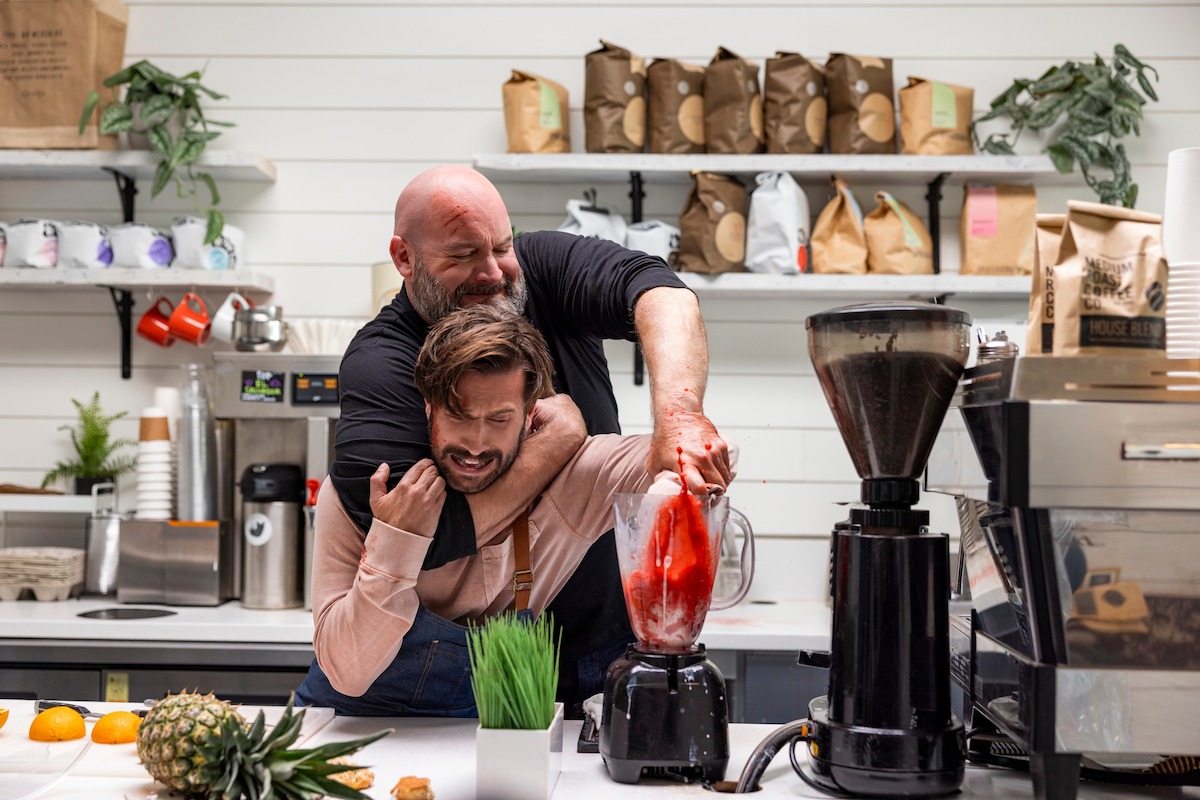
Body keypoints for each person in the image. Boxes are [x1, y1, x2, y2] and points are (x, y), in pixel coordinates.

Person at [329, 164, 731, 709]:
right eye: (462, 255)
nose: (493, 272)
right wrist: (559, 441)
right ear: (404, 257)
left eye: (501, 245)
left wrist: (680, 413)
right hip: (439, 652)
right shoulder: (380, 363)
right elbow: (427, 538)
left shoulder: (539, 269)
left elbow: (661, 291)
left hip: (600, 636)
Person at [298, 304, 679, 716]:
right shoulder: (368, 487)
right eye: (460, 415)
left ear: (532, 414)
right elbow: (348, 670)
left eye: (499, 418)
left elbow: (687, 453)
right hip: (346, 730)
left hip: (478, 739)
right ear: (428, 407)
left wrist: (669, 489)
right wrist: (395, 543)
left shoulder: (569, 479)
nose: (477, 444)